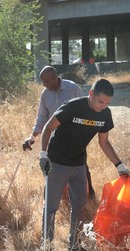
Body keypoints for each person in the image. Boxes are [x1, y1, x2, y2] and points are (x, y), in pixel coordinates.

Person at [39, 78, 130, 251]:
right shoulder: (72, 107)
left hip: (79, 164)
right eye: (100, 101)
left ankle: (75, 246)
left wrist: (119, 165)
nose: (103, 106)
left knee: (79, 206)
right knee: (51, 207)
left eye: (107, 103)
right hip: (57, 163)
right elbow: (48, 128)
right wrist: (43, 154)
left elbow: (104, 142)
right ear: (91, 94)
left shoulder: (105, 114)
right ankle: (47, 249)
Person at [22, 66, 96, 199]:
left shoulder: (73, 89)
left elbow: (86, 111)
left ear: (55, 78)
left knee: (82, 168)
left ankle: (89, 197)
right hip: (55, 141)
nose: (44, 84)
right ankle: (53, 200)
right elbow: (42, 118)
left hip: (75, 139)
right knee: (52, 171)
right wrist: (32, 137)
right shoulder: (45, 94)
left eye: (46, 81)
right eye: (42, 81)